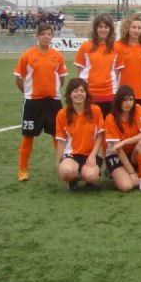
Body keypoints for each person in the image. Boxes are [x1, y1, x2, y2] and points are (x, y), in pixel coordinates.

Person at [14, 23, 68, 181]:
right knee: (28, 136)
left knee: (57, 136)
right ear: (37, 36)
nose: (46, 36)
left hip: (53, 102)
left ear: (52, 36)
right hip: (33, 102)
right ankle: (23, 170)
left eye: (48, 34)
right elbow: (18, 79)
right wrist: (28, 93)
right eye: (43, 33)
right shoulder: (27, 55)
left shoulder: (57, 56)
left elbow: (62, 78)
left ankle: (61, 165)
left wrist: (52, 91)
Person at [54, 78, 104, 191]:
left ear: (86, 94)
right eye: (76, 91)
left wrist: (93, 155)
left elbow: (100, 136)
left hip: (91, 154)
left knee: (91, 176)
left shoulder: (95, 110)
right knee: (65, 172)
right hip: (72, 154)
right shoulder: (62, 114)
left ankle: (87, 176)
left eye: (82, 91)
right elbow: (61, 141)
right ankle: (73, 179)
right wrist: (58, 162)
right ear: (69, 94)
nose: (79, 94)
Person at [104, 85, 141, 191]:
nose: (128, 103)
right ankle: (114, 173)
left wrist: (125, 142)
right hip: (116, 154)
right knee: (127, 186)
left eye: (131, 99)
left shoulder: (138, 109)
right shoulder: (110, 118)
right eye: (125, 100)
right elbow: (118, 149)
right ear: (118, 101)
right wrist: (131, 173)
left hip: (132, 153)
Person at [74, 13, 125, 116]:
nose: (103, 30)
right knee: (90, 127)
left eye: (106, 27)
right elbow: (80, 72)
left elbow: (116, 71)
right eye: (100, 27)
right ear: (95, 28)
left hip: (109, 94)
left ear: (110, 29)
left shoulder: (117, 48)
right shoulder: (85, 47)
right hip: (89, 94)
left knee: (108, 127)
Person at [115, 14, 141, 108]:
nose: (136, 30)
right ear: (127, 28)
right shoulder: (118, 45)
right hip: (122, 92)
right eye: (133, 27)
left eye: (139, 28)